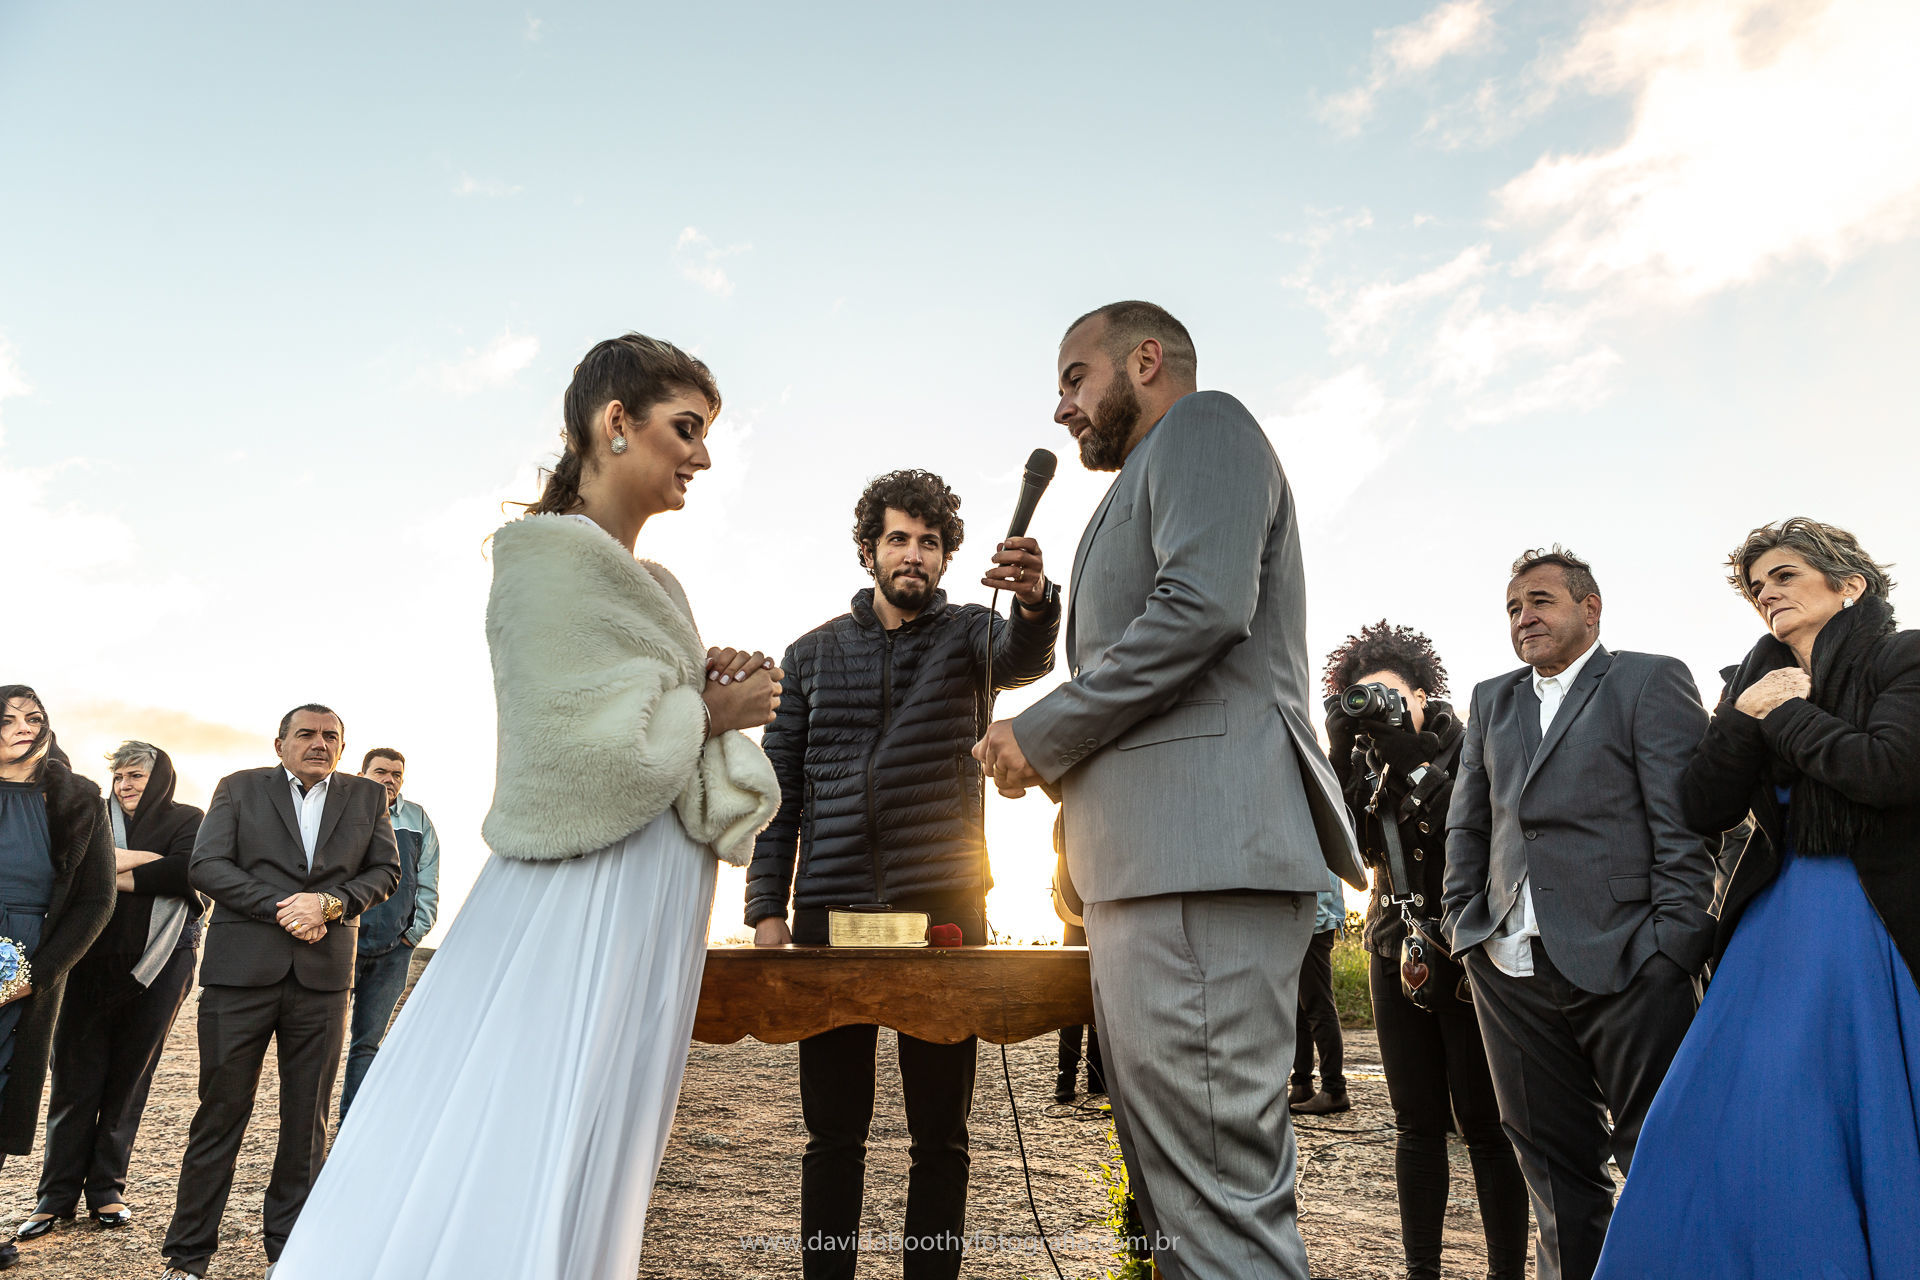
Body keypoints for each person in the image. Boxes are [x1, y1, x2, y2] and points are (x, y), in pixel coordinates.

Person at [270, 333, 781, 1280]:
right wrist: (713, 709)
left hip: (658, 885)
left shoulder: (661, 586)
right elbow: (567, 753)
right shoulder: (544, 563)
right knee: (536, 1101)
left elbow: (641, 719)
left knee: (607, 1120)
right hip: (583, 884)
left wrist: (707, 690)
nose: (704, 456)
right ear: (615, 423)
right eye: (688, 429)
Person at [973, 301, 1364, 1280]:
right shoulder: (1145, 474)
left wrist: (1044, 731)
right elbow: (1143, 628)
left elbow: (1199, 610)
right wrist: (1043, 607)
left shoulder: (1205, 425)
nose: (1061, 405)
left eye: (1074, 377)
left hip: (1200, 863)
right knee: (1179, 1207)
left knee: (1219, 1207)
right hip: (1156, 870)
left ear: (1145, 359)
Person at [744, 467, 1058, 1280]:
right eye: (897, 539)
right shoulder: (808, 656)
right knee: (833, 1133)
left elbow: (1026, 651)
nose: (912, 555)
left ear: (947, 557)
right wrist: (767, 910)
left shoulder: (969, 636)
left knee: (941, 1135)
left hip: (945, 906)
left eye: (928, 542)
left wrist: (1033, 597)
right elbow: (778, 791)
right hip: (829, 912)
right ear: (867, 550)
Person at [1594, 518, 1920, 1278]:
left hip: (1872, 919)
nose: (1765, 592)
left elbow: (1888, 771)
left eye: (1785, 576)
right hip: (1774, 923)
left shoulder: (1906, 657)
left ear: (1850, 585)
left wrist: (1788, 713)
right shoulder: (1753, 680)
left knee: (1847, 1115)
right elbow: (1702, 804)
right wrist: (1747, 714)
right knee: (1703, 1113)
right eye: (1756, 585)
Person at [1441, 547, 1716, 1280]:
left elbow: (1683, 825)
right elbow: (1467, 826)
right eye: (1512, 608)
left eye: (1539, 601)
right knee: (1556, 1178)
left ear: (1589, 608)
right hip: (1510, 970)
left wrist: (1672, 949)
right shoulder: (1491, 698)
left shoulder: (1648, 680)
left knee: (1663, 1159)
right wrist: (1465, 925)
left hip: (1631, 962)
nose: (1523, 618)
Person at [154, 705, 399, 1279]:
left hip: (323, 979)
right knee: (219, 1114)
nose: (320, 743)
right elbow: (206, 865)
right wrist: (286, 908)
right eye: (307, 735)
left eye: (331, 737)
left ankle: (291, 1255)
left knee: (305, 1124)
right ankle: (187, 1258)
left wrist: (331, 904)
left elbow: (385, 872)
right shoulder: (239, 789)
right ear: (280, 743)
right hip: (240, 976)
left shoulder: (366, 798)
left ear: (342, 746)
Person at [1322, 623, 1527, 1280]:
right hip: (1394, 946)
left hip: (1469, 952)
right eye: (1361, 698)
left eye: (1385, 695)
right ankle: (1422, 1273)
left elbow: (1479, 831)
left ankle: (1504, 1272)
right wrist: (1336, 758)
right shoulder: (1360, 762)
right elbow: (1348, 858)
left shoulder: (1470, 745)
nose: (1375, 708)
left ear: (1420, 692)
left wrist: (1411, 758)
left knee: (1485, 1125)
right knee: (1415, 1123)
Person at [22, 741, 204, 1244]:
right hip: (82, 964)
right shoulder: (90, 813)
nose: (126, 785)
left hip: (162, 963)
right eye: (120, 775)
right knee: (73, 1078)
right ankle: (54, 1197)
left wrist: (108, 869)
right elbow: (66, 872)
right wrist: (143, 865)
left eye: (137, 776)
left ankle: (107, 1189)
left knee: (129, 1076)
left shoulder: (189, 818)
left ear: (160, 778)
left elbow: (188, 872)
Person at [0, 688, 116, 1272]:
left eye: (34, 717)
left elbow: (96, 900)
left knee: (1, 1092)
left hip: (26, 966)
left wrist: (38, 976)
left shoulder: (80, 799)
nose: (23, 726)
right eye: (7, 719)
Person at [335, 747, 438, 1121]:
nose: (389, 779)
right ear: (362, 773)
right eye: (381, 771)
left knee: (368, 1044)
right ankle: (309, 1132)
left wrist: (414, 933)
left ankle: (350, 1128)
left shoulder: (417, 819)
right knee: (325, 1040)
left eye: (396, 774)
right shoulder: (340, 809)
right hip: (341, 944)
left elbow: (427, 880)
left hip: (395, 949)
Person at [1288, 867, 1349, 1116]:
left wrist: (1314, 915)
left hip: (1314, 920)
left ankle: (1334, 1090)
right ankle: (1302, 1084)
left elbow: (1323, 870)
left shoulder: (1313, 827)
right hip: (1300, 919)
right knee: (1298, 1007)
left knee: (1317, 1005)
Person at [1054, 922, 1105, 1105]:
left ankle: (1097, 1073)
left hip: (1103, 911)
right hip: (1075, 913)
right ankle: (1066, 1075)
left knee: (1102, 987)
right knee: (1071, 992)